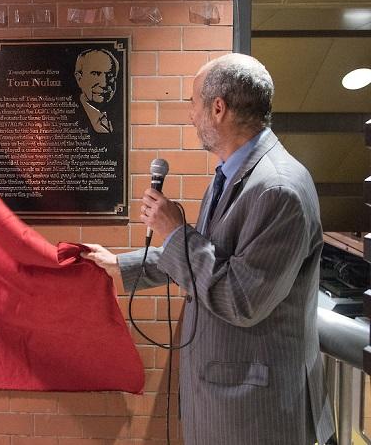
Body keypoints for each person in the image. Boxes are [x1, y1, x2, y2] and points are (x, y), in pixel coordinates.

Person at [82, 53, 334, 445]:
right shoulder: (233, 173)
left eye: (193, 103)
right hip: (227, 398)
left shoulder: (277, 188)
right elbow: (208, 257)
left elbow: (240, 299)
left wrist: (174, 232)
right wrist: (120, 264)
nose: (189, 115)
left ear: (218, 109)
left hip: (255, 411)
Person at [74, 48, 119, 133]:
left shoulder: (118, 117)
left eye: (110, 75)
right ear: (79, 78)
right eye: (95, 74)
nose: (104, 84)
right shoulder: (67, 116)